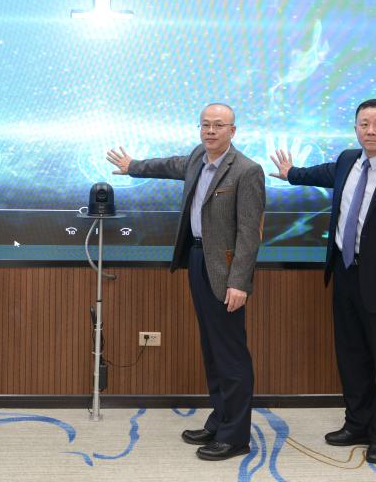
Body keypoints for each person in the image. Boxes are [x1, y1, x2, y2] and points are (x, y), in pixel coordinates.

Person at [271, 98, 376, 465]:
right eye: (364, 124)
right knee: (351, 355)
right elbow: (323, 174)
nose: (370, 131)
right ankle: (357, 423)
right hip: (345, 274)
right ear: (356, 128)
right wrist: (292, 173)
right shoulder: (348, 160)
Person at [106, 103, 264, 461]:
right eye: (205, 125)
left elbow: (249, 234)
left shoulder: (247, 170)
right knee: (211, 348)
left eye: (218, 125)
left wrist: (239, 283)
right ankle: (220, 420)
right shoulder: (197, 158)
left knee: (230, 354)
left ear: (233, 131)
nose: (210, 131)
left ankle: (236, 437)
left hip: (226, 271)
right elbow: (169, 165)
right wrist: (133, 166)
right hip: (196, 259)